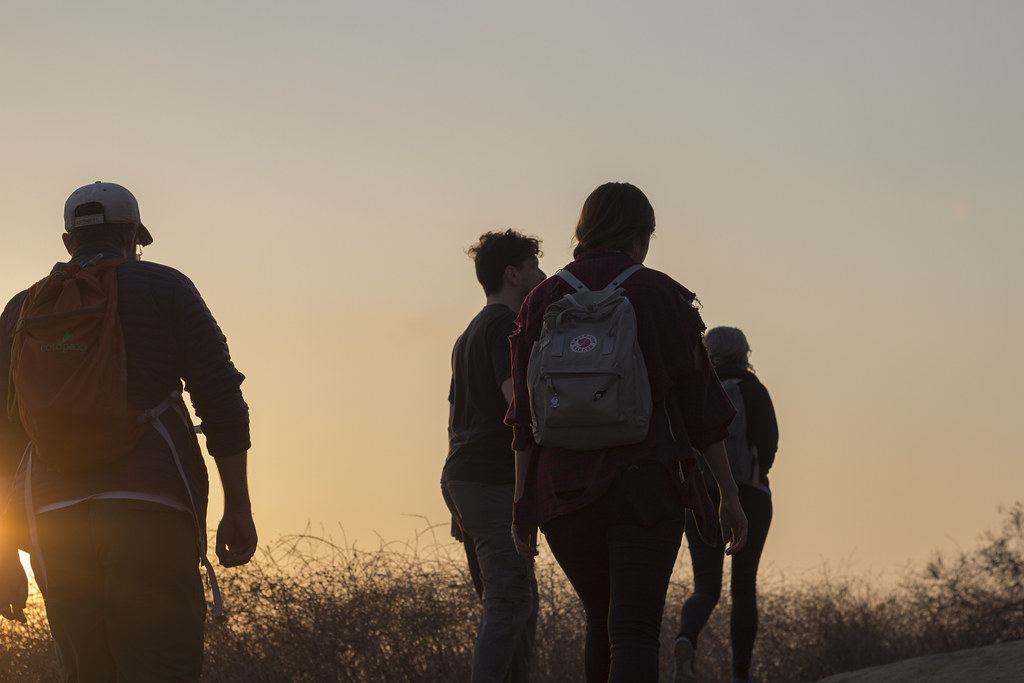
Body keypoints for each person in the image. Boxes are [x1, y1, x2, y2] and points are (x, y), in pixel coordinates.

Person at [0, 181, 257, 681]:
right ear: (133, 235)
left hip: (52, 520)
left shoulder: (22, 309)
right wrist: (238, 506)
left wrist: (4, 550)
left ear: (67, 241)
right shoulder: (167, 287)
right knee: (161, 665)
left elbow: (5, 433)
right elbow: (221, 397)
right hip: (150, 506)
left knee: (89, 671)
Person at [507, 182, 748, 683]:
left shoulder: (542, 300)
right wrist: (728, 494)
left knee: (602, 621)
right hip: (644, 486)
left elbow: (524, 420)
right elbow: (704, 411)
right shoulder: (662, 295)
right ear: (641, 235)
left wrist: (521, 506)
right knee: (634, 630)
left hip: (562, 492)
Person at [442, 229, 545, 682]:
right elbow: (516, 404)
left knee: (518, 600)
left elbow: (454, 419)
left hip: (466, 480)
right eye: (535, 267)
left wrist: (458, 507)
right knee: (510, 601)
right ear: (513, 274)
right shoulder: (506, 326)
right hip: (491, 481)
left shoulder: (466, 335)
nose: (543, 275)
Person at [672, 326, 778, 683]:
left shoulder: (693, 390)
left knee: (706, 587)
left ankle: (685, 642)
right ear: (744, 353)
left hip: (700, 498)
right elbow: (769, 445)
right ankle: (741, 674)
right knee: (743, 587)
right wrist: (753, 475)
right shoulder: (753, 390)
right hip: (749, 496)